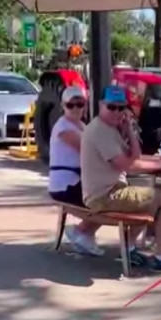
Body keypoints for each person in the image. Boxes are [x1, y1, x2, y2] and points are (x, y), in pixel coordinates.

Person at [80, 86, 161, 271]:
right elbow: (127, 165)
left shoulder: (111, 129)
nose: (117, 112)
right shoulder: (100, 131)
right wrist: (160, 165)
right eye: (112, 107)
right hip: (105, 196)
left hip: (108, 191)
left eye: (121, 108)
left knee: (149, 195)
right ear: (101, 105)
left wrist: (128, 129)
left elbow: (135, 155)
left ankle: (130, 248)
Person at [48, 85, 104, 257]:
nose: (76, 109)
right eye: (71, 105)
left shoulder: (81, 125)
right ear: (63, 106)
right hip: (66, 184)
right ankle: (82, 231)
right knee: (110, 197)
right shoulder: (64, 128)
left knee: (112, 191)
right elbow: (90, 150)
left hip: (78, 181)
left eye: (80, 104)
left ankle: (84, 233)